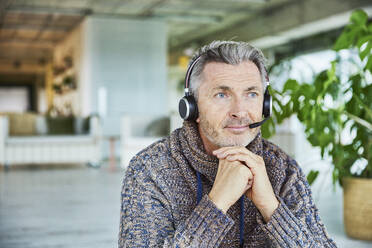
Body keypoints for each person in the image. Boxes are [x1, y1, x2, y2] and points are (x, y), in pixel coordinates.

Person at [118, 41, 337, 247]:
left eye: (251, 94)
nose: (239, 111)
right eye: (222, 94)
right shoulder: (150, 169)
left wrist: (272, 208)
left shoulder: (283, 168)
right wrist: (216, 204)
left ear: (265, 104)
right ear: (192, 108)